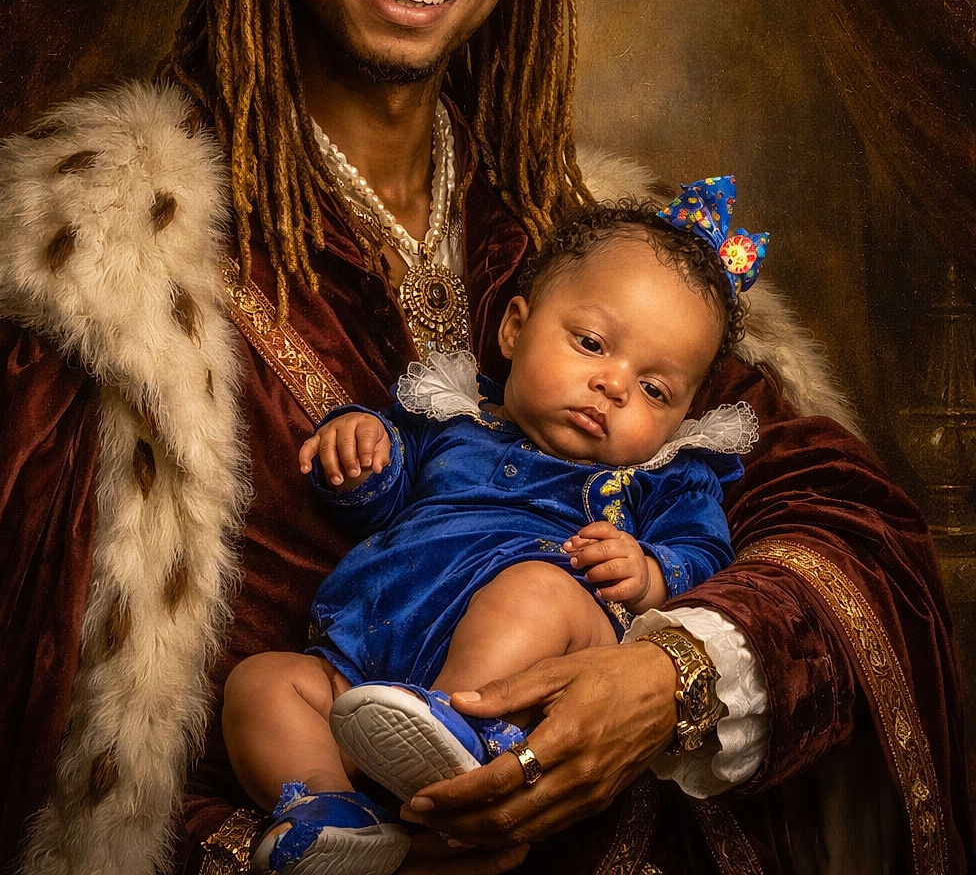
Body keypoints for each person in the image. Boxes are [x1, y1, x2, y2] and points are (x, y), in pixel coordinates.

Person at [0, 0, 969, 874]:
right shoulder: (95, 275)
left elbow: (841, 512)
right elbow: (26, 745)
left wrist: (671, 675)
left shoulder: (598, 246)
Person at [222, 191, 763, 874]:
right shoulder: (450, 421)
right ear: (514, 329)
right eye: (591, 344)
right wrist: (362, 454)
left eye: (656, 390)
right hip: (365, 662)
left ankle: (459, 730)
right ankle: (335, 815)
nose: (614, 386)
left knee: (533, 589)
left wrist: (652, 570)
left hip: (527, 676)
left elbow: (708, 555)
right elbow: (375, 502)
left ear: (686, 413)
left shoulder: (665, 477)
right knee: (262, 683)